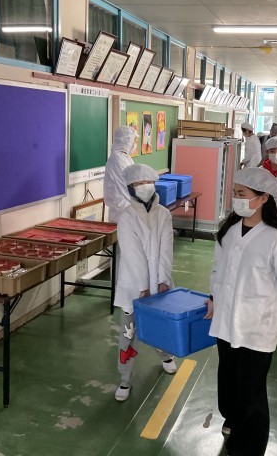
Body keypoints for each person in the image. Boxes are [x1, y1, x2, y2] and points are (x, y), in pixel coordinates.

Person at [204, 167, 277, 456]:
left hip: (257, 326)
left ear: (263, 198)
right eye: (235, 193)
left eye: (242, 194)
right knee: (228, 382)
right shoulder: (229, 231)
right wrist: (213, 297)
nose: (236, 198)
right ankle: (234, 420)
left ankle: (250, 447)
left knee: (251, 391)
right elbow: (219, 269)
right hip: (226, 322)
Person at [113, 163, 177, 402]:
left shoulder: (163, 214)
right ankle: (125, 378)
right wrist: (142, 287)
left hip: (160, 286)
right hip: (134, 288)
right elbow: (133, 255)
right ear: (131, 188)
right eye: (138, 184)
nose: (144, 187)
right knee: (129, 333)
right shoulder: (126, 217)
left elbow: (166, 250)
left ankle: (166, 356)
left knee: (160, 326)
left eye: (147, 182)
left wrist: (163, 281)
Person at [103, 126, 139, 223]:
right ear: (127, 141)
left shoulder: (125, 158)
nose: (135, 144)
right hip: (122, 212)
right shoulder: (117, 160)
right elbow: (129, 187)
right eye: (134, 141)